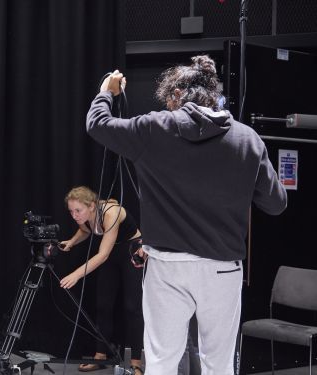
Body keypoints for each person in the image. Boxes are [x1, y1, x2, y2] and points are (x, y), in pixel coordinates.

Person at [86, 55, 287, 374]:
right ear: (213, 95)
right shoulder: (246, 139)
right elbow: (276, 204)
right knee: (218, 365)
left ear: (175, 96)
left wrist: (106, 92)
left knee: (162, 361)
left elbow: (97, 124)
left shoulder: (154, 128)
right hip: (223, 269)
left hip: (167, 268)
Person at [59, 186, 144, 375]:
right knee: (103, 305)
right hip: (111, 253)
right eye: (71, 211)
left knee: (132, 307)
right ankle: (100, 357)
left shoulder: (110, 213)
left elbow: (103, 254)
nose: (74, 215)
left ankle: (136, 363)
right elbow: (85, 230)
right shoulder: (85, 216)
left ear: (91, 205)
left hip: (131, 250)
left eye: (78, 211)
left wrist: (76, 274)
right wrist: (72, 242)